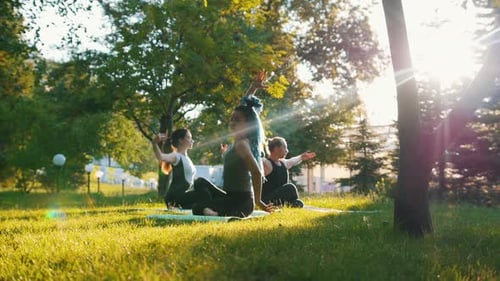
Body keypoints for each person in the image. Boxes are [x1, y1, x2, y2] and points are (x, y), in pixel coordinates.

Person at [192, 71, 275, 217]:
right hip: (229, 196)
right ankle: (212, 209)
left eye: (237, 120)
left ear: (248, 124)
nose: (232, 122)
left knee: (198, 208)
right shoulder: (237, 143)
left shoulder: (242, 144)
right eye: (232, 119)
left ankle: (212, 211)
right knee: (200, 182)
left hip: (241, 202)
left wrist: (259, 201)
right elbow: (242, 106)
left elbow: (256, 172)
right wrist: (252, 88)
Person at [152, 128, 225, 209]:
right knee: (202, 186)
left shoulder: (187, 159)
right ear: (181, 140)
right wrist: (154, 143)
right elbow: (161, 157)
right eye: (189, 137)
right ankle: (224, 197)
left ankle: (221, 201)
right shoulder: (176, 156)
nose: (192, 140)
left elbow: (191, 180)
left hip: (184, 197)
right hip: (175, 198)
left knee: (203, 187)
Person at [262, 137, 316, 208]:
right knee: (290, 187)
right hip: (267, 200)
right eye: (284, 147)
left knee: (297, 203)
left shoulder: (283, 163)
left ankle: (292, 204)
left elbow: (292, 161)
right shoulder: (266, 163)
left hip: (279, 198)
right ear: (276, 148)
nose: (287, 151)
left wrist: (302, 157)